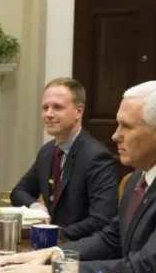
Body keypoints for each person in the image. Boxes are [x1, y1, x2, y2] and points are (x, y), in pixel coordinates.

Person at [0, 80, 156, 273]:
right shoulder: (137, 179)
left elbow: (145, 270)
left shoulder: (97, 156)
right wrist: (51, 253)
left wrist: (52, 271)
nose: (115, 136)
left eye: (127, 126)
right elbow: (112, 238)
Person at [10, 77, 118, 241]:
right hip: (50, 244)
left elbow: (101, 220)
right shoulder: (47, 152)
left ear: (79, 111)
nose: (48, 114)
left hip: (80, 251)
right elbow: (19, 192)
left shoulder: (97, 157)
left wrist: (55, 233)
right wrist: (37, 207)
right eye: (45, 107)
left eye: (57, 107)